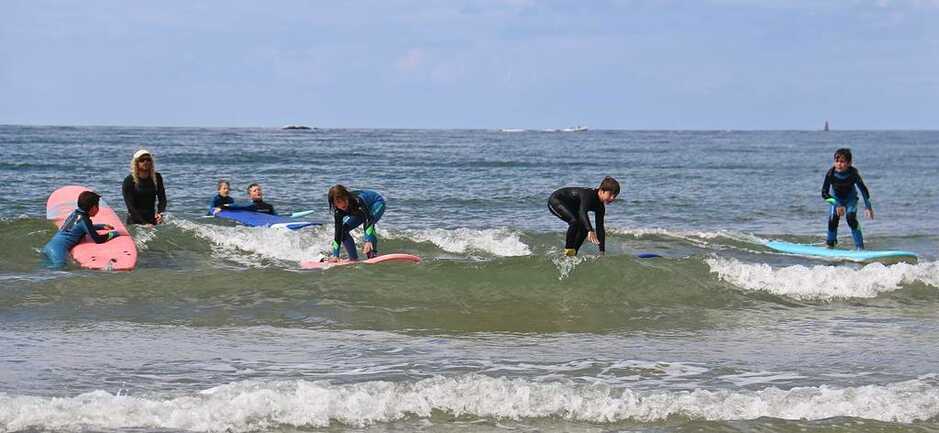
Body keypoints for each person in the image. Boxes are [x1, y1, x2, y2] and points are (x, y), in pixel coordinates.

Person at [42, 191, 121, 268]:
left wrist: (101, 226)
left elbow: (78, 227)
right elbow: (98, 239)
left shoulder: (75, 214)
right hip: (58, 251)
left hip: (49, 247)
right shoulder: (84, 220)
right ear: (93, 208)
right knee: (60, 271)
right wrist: (113, 234)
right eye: (98, 206)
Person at [547, 176, 620, 256]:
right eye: (610, 194)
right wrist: (590, 230)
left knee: (584, 228)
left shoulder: (600, 207)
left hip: (570, 206)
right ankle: (568, 251)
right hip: (555, 201)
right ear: (602, 190)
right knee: (574, 222)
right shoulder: (589, 195)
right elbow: (582, 212)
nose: (612, 198)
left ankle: (573, 253)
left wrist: (601, 251)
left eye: (614, 196)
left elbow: (600, 228)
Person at [822, 148, 873, 249]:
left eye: (842, 161)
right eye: (836, 161)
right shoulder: (830, 174)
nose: (839, 164)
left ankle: (860, 247)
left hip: (851, 200)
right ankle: (830, 244)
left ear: (849, 163)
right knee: (833, 220)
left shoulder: (853, 174)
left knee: (851, 219)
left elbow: (863, 190)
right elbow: (824, 193)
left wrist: (868, 207)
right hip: (836, 200)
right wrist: (836, 204)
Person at [327, 185, 385, 261]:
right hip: (359, 212)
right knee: (343, 231)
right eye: (338, 202)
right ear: (333, 203)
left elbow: (368, 220)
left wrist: (368, 240)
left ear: (347, 196)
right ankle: (353, 258)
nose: (343, 204)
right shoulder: (338, 212)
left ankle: (372, 254)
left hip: (376, 203)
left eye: (344, 199)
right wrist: (335, 255)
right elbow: (338, 233)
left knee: (368, 223)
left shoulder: (357, 201)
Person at [122, 149, 167, 225]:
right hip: (135, 222)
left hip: (152, 219)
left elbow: (162, 198)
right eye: (142, 160)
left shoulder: (157, 177)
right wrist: (144, 224)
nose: (146, 162)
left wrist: (160, 213)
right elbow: (130, 207)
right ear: (136, 163)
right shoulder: (129, 181)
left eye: (148, 159)